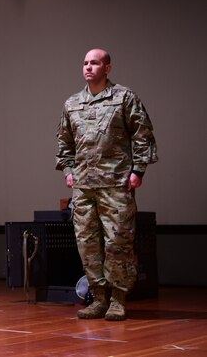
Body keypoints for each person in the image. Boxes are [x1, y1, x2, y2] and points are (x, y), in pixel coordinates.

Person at [56, 48, 157, 321]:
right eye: (85, 63)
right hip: (84, 186)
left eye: (95, 63)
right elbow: (64, 142)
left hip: (116, 184)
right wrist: (68, 170)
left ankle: (118, 299)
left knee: (118, 243)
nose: (88, 67)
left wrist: (138, 170)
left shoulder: (124, 98)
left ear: (107, 68)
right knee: (87, 244)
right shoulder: (72, 103)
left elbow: (142, 134)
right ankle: (98, 297)